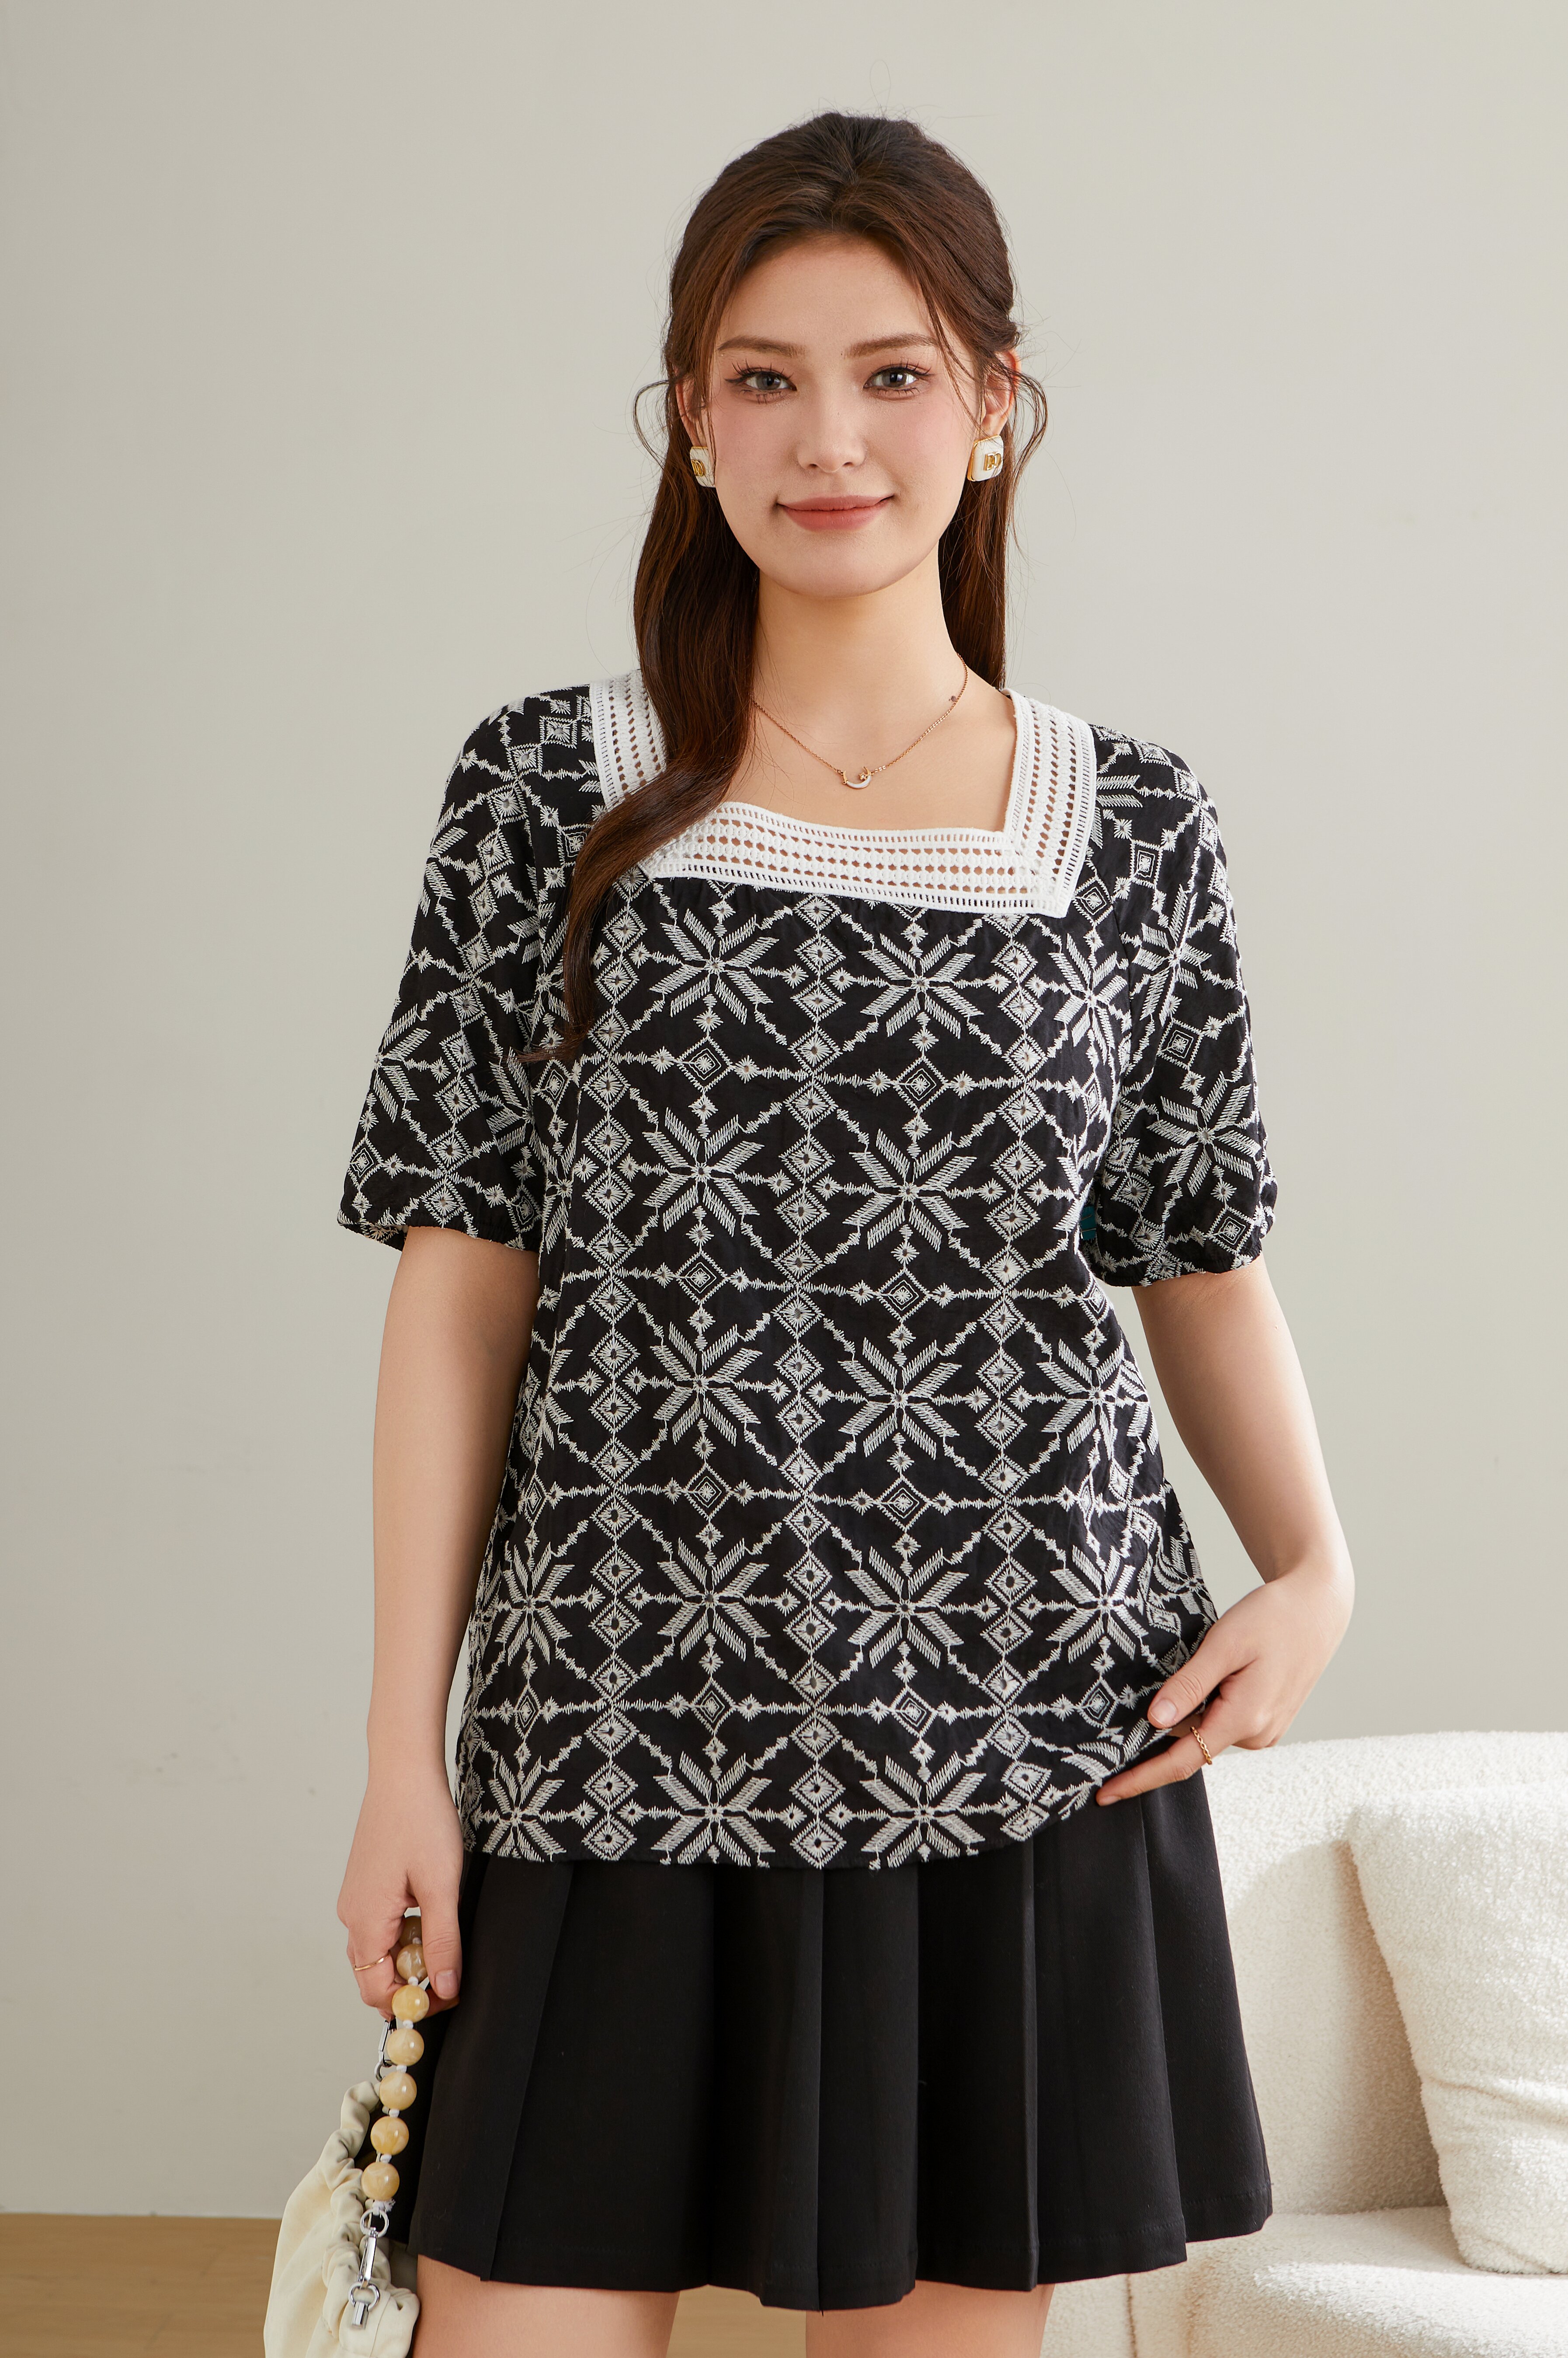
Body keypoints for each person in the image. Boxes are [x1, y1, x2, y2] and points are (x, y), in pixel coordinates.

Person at [334, 111, 1354, 2358]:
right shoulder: (550, 790)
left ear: (995, 407)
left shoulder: (1134, 820)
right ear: (689, 419)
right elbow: (462, 1281)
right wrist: (406, 1745)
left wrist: (1314, 1565)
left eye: (894, 374)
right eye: (764, 378)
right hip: (612, 1723)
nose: (829, 439)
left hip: (1017, 1739)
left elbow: (1192, 1243)